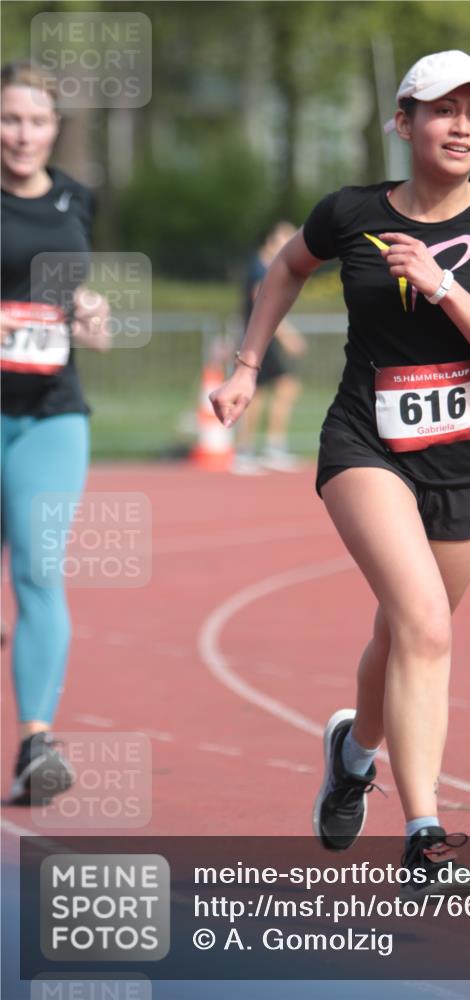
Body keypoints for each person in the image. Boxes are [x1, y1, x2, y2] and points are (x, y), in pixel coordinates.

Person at [210, 50, 470, 894]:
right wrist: (248, 364)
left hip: (466, 462)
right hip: (364, 444)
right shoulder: (350, 212)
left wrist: (441, 287)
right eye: (443, 110)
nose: (462, 126)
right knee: (426, 627)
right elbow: (287, 268)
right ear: (403, 122)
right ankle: (424, 832)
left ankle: (353, 751)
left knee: (401, 635)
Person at [1, 62, 111, 804]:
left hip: (52, 411)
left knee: (40, 572)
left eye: (36, 121)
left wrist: (92, 317)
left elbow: (78, 302)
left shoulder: (79, 199)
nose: (22, 135)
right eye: (9, 120)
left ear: (55, 127)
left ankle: (36, 742)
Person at [232, 221, 307, 474]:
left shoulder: (268, 266)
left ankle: (267, 447)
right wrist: (288, 336)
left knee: (276, 390)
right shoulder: (259, 269)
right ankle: (246, 451)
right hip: (257, 341)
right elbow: (263, 306)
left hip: (263, 340)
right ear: (271, 239)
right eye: (285, 238)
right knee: (262, 393)